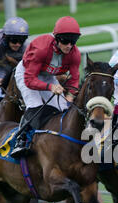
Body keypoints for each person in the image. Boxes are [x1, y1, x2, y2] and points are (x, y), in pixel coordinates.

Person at [10, 16, 82, 158]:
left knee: (63, 107)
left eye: (73, 42)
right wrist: (50, 87)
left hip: (47, 74)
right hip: (27, 73)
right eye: (65, 41)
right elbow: (30, 81)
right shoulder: (41, 48)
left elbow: (74, 80)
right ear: (56, 38)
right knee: (35, 104)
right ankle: (21, 140)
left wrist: (70, 96)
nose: (69, 45)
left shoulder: (74, 53)